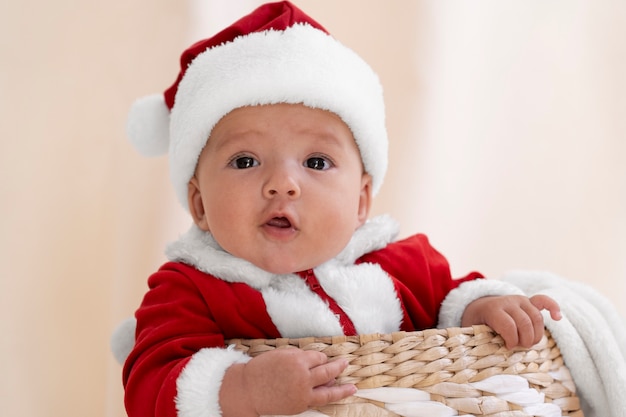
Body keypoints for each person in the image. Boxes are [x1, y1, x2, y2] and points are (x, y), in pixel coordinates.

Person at [121, 2, 562, 417]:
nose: (282, 184)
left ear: (361, 202)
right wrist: (244, 389)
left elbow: (452, 299)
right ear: (199, 204)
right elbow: (149, 384)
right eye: (245, 161)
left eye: (316, 162)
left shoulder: (401, 265)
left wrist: (488, 307)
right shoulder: (189, 289)